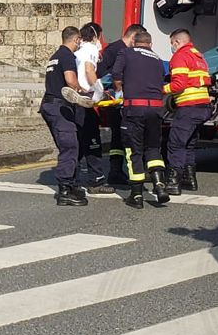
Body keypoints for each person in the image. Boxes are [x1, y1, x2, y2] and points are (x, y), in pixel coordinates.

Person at [112, 30, 170, 208]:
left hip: (134, 109)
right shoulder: (157, 59)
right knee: (153, 147)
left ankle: (136, 195)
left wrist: (119, 90)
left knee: (133, 150)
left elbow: (116, 74)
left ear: (134, 42)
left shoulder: (126, 52)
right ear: (150, 44)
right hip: (155, 109)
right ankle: (159, 185)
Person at [41, 26, 94, 207]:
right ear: (76, 39)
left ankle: (72, 184)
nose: (80, 43)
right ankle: (65, 190)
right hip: (60, 106)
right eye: (79, 40)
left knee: (69, 145)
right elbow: (70, 81)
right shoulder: (67, 56)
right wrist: (83, 91)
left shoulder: (54, 56)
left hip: (49, 105)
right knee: (70, 146)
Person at [164, 29, 212, 195]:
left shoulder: (179, 56)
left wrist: (160, 89)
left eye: (172, 43)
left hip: (188, 107)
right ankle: (189, 179)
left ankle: (173, 182)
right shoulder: (198, 56)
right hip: (203, 107)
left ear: (177, 42)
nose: (172, 47)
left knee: (176, 143)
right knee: (189, 144)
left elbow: (178, 85)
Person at [97, 24, 145, 183]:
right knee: (119, 136)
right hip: (115, 100)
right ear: (133, 37)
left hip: (125, 100)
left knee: (119, 138)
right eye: (137, 41)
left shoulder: (126, 51)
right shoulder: (114, 50)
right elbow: (101, 73)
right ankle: (116, 170)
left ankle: (117, 170)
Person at [74, 23, 112, 194]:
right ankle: (96, 181)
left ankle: (72, 179)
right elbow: (89, 71)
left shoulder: (76, 51)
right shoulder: (90, 49)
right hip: (86, 99)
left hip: (76, 98)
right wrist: (100, 90)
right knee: (92, 141)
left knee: (79, 141)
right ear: (96, 36)